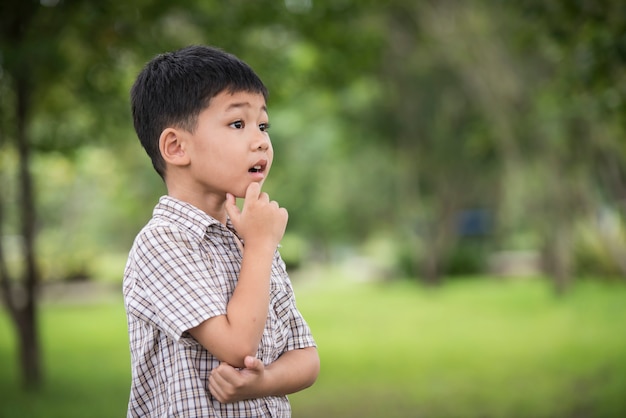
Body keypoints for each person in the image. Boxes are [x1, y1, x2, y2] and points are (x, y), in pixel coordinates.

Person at [123, 45, 319, 417]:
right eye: (237, 124)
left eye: (263, 125)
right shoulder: (163, 241)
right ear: (177, 147)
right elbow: (236, 345)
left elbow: (306, 357)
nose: (261, 140)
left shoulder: (249, 236)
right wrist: (260, 246)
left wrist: (264, 382)